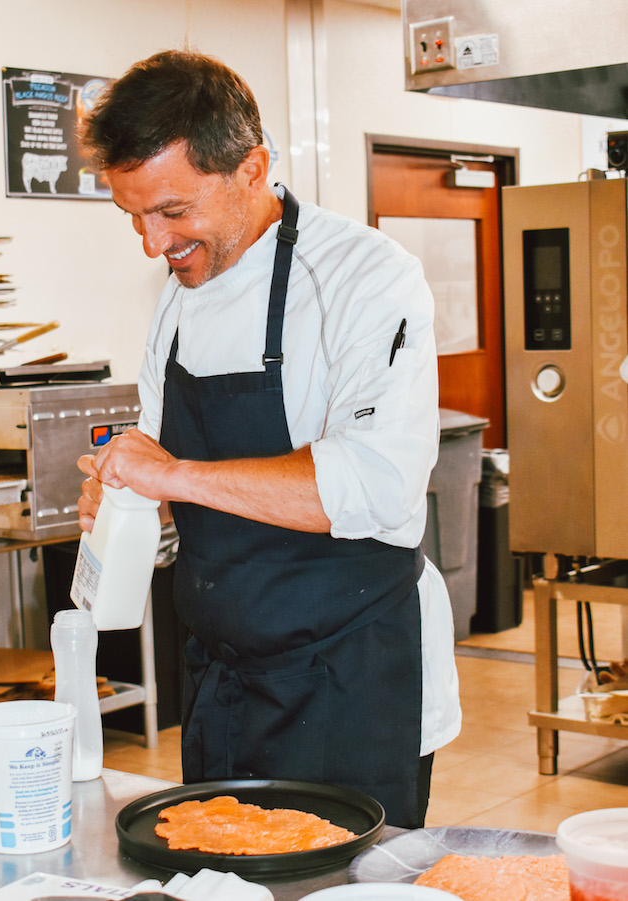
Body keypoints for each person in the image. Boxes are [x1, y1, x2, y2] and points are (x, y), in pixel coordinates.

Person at [76, 49, 460, 828]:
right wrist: (124, 494)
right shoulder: (176, 298)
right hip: (222, 677)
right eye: (134, 218)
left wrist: (175, 476)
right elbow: (158, 451)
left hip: (350, 674)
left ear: (252, 167)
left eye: (173, 212)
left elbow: (376, 481)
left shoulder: (366, 277)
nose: (154, 245)